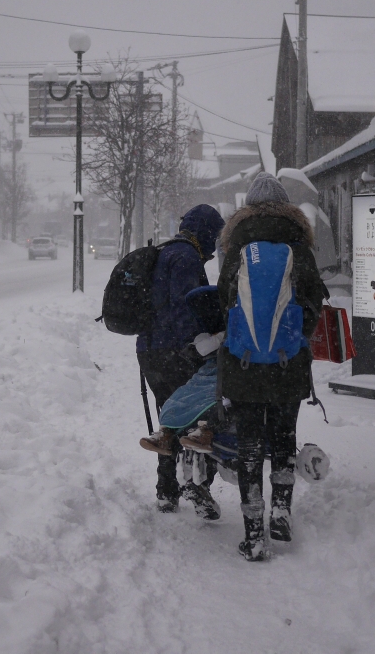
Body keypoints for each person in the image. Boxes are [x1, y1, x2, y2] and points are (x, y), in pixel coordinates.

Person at [217, 172, 328, 561]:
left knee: (249, 448)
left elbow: (222, 301)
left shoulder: (238, 246)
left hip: (243, 366)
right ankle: (281, 511)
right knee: (282, 439)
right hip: (287, 365)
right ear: (287, 206)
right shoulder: (298, 244)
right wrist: (295, 340)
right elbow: (315, 300)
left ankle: (253, 534)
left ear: (247, 207)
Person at [136, 204, 225, 516]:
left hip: (149, 351)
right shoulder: (186, 257)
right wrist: (203, 341)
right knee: (198, 414)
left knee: (170, 418)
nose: (214, 245)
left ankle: (166, 490)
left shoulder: (164, 251)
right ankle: (196, 488)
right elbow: (186, 308)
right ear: (205, 233)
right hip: (175, 351)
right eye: (213, 236)